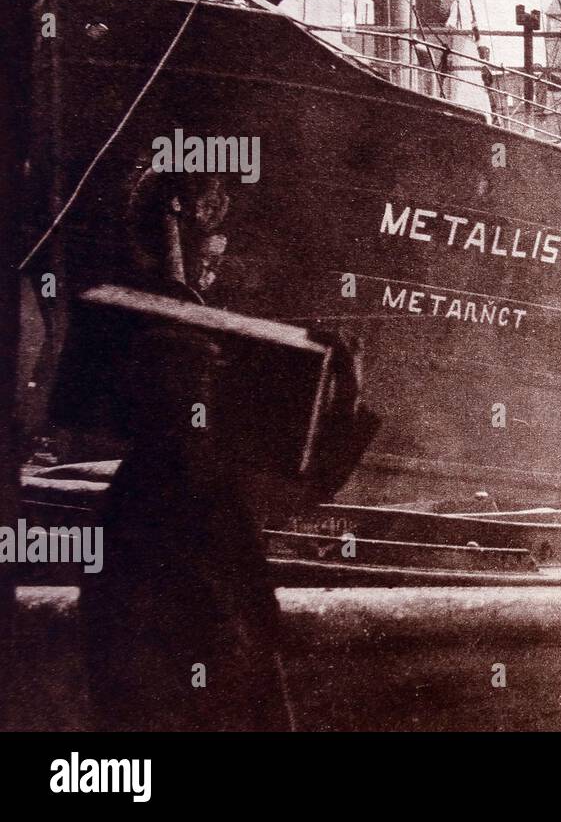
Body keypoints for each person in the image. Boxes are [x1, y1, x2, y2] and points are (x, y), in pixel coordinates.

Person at [75, 171, 373, 730]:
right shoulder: (171, 490)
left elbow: (295, 493)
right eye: (197, 386)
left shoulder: (173, 480)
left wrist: (348, 391)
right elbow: (293, 497)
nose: (206, 398)